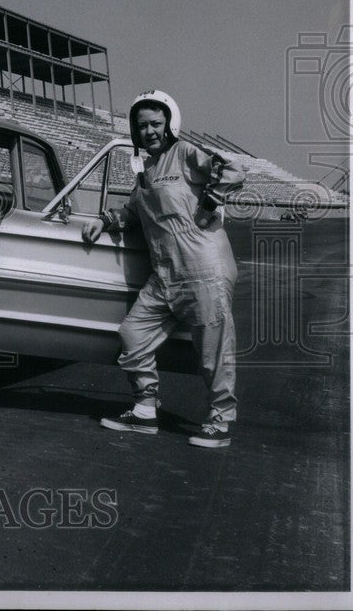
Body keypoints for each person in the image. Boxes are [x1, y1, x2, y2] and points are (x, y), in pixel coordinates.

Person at [82, 90, 245, 448]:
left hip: (204, 269)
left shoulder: (185, 153)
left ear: (170, 123)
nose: (149, 131)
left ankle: (220, 421)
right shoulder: (145, 171)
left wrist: (210, 201)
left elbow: (233, 170)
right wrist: (105, 220)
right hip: (165, 275)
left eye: (156, 123)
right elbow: (134, 212)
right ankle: (144, 410)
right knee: (132, 334)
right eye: (142, 126)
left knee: (213, 352)